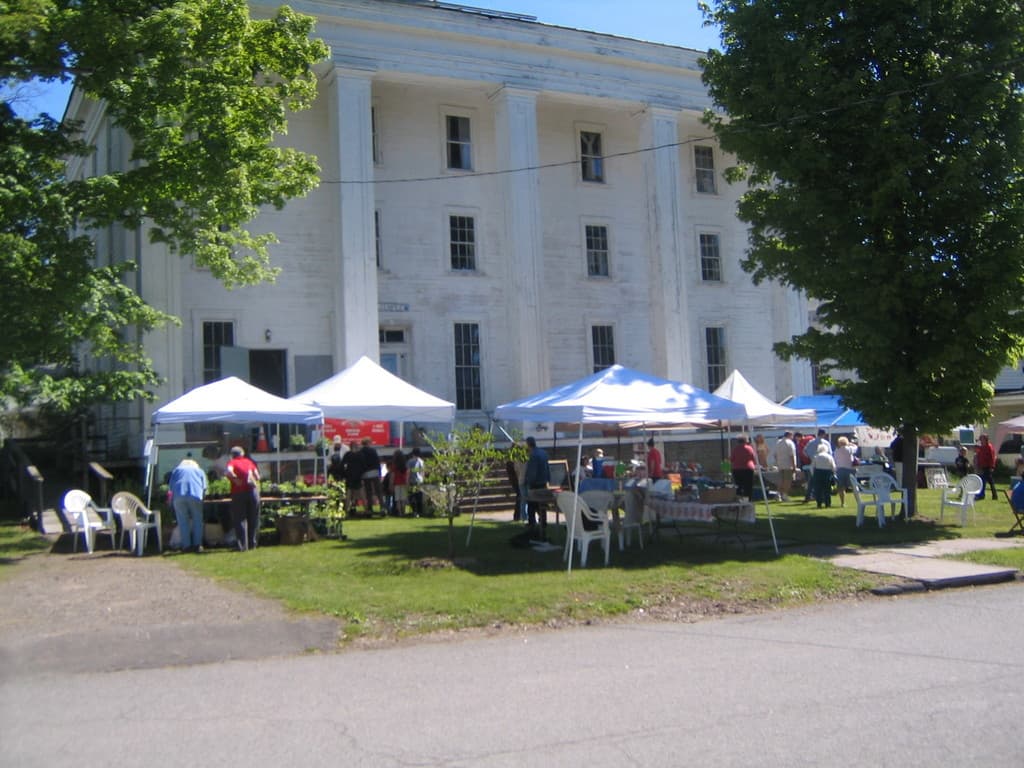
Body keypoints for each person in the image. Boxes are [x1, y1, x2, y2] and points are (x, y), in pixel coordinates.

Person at [169, 453, 208, 553]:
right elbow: (204, 488)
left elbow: (171, 488)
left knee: (182, 521)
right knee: (197, 520)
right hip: (195, 495)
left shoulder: (177, 470)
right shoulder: (199, 471)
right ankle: (197, 545)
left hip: (179, 496)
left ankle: (186, 546)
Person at [225, 446, 260, 551]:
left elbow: (228, 471)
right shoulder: (249, 462)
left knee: (240, 519)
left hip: (238, 493)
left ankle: (242, 546)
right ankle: (252, 544)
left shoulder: (232, 462)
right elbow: (257, 476)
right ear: (242, 454)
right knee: (253, 518)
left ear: (232, 455)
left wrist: (235, 479)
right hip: (252, 492)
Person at [524, 436, 550, 540]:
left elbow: (532, 471)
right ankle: (543, 522)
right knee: (542, 504)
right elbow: (547, 467)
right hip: (543, 482)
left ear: (528, 444)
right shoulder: (543, 453)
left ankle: (532, 523)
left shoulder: (533, 455)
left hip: (535, 483)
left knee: (531, 504)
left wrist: (529, 481)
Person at [803, 430, 830, 502]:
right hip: (824, 465)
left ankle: (808, 496)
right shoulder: (826, 443)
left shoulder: (811, 442)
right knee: (824, 482)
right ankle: (824, 497)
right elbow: (830, 453)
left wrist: (809, 457)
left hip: (814, 462)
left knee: (811, 482)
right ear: (824, 434)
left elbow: (804, 451)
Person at [358, 438, 383, 514]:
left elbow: (361, 464)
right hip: (374, 472)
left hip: (366, 473)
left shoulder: (361, 452)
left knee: (368, 492)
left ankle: (370, 508)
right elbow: (377, 462)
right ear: (368, 443)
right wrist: (379, 472)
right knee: (378, 491)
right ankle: (382, 507)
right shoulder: (373, 451)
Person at [833, 436, 858, 508]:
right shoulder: (849, 449)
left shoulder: (836, 451)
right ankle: (858, 501)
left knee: (841, 487)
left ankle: (842, 503)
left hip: (840, 470)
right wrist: (851, 444)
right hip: (850, 469)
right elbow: (856, 447)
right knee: (854, 486)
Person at [340, 440, 364, 514]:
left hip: (349, 477)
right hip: (358, 476)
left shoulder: (347, 454)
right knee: (361, 494)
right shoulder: (360, 455)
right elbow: (363, 466)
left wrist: (344, 474)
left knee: (349, 494)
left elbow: (342, 465)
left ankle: (346, 510)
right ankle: (366, 508)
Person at [810, 442, 836, 509]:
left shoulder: (816, 457)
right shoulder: (829, 457)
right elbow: (833, 467)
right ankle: (827, 504)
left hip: (818, 474)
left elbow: (812, 467)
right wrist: (833, 473)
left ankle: (819, 504)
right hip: (827, 473)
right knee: (827, 490)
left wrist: (813, 475)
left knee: (818, 490)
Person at [730, 435, 756, 499]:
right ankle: (748, 499)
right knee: (748, 486)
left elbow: (731, 459)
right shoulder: (750, 448)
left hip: (737, 469)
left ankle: (739, 498)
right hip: (748, 469)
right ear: (746, 441)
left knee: (738, 486)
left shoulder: (735, 449)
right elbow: (754, 458)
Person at [774, 431, 797, 501]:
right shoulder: (790, 443)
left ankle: (778, 495)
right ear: (790, 435)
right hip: (788, 464)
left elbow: (775, 454)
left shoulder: (778, 442)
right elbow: (792, 455)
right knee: (787, 481)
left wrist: (778, 462)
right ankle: (784, 495)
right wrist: (794, 466)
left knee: (780, 481)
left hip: (780, 464)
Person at [974, 434, 998, 501]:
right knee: (983, 481)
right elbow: (979, 456)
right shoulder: (981, 447)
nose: (982, 440)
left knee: (988, 481)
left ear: (986, 439)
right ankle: (983, 495)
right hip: (982, 466)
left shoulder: (989, 447)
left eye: (983, 439)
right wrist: (978, 465)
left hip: (988, 467)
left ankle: (993, 495)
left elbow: (992, 458)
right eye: (981, 439)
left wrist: (991, 466)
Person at [389, 449, 409, 516]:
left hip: (397, 483)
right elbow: (407, 475)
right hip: (404, 483)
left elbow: (392, 476)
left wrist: (391, 484)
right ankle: (403, 512)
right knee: (403, 499)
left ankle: (400, 513)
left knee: (398, 499)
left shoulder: (394, 466)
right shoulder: (405, 465)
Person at [407, 447, 426, 517]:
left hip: (412, 481)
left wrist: (407, 481)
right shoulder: (421, 462)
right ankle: (420, 511)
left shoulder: (410, 461)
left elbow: (408, 472)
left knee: (412, 497)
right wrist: (423, 480)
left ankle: (414, 511)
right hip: (419, 481)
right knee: (419, 497)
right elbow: (423, 472)